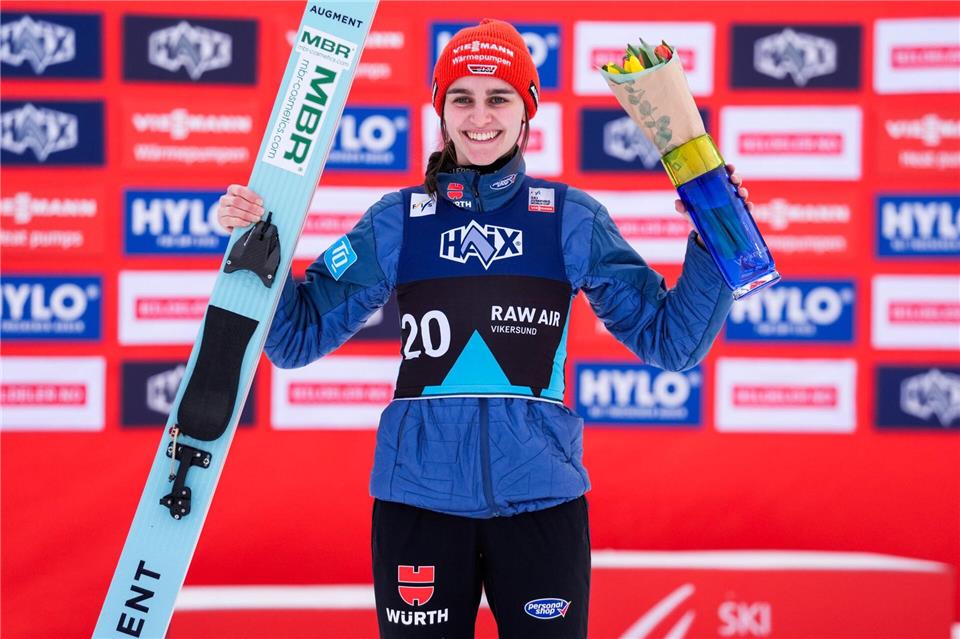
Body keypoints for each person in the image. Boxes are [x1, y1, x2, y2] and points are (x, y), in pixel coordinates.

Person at [218, 19, 747, 639]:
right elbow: (296, 337)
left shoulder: (570, 220)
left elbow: (673, 342)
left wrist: (716, 237)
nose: (479, 117)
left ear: (527, 110)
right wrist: (259, 247)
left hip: (541, 504)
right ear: (440, 110)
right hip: (418, 504)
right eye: (461, 99)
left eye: (499, 97)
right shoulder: (401, 221)